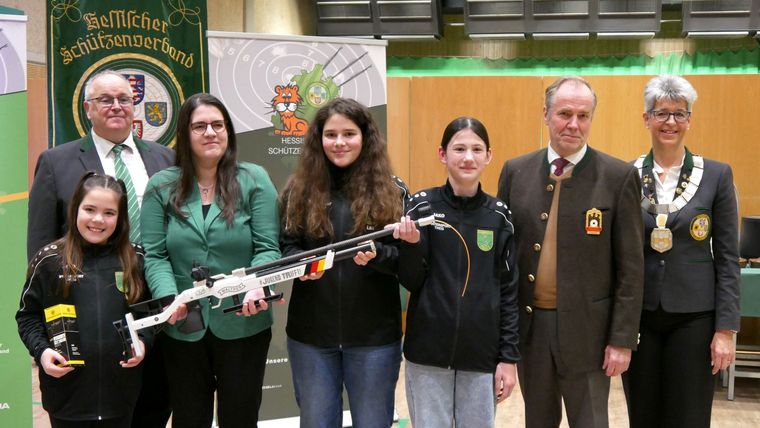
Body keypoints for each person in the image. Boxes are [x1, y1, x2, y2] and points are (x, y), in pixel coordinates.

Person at [26, 69, 173, 428]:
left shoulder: (166, 159)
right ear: (88, 108)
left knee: (152, 410)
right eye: (105, 100)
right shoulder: (56, 162)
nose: (116, 106)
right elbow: (40, 249)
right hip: (86, 334)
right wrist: (46, 343)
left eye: (124, 99)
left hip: (153, 321)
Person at [496, 76, 645, 428]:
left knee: (591, 422)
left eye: (583, 115)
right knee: (539, 421)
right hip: (532, 331)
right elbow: (502, 261)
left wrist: (622, 340)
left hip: (590, 335)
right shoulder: (515, 172)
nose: (574, 124)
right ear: (546, 114)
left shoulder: (618, 176)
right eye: (564, 113)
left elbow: (631, 269)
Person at [141, 93, 281, 427]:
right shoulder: (161, 186)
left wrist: (257, 286)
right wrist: (168, 299)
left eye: (218, 125)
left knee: (240, 417)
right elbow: (155, 254)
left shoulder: (254, 179)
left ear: (229, 132)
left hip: (244, 322)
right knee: (189, 419)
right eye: (199, 126)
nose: (210, 132)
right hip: (182, 326)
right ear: (185, 134)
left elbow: (268, 248)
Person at [279, 97, 414, 428]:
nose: (339, 143)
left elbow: (409, 264)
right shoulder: (297, 190)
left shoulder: (394, 192)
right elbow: (285, 249)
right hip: (310, 339)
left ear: (366, 138)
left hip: (375, 341)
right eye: (330, 135)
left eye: (349, 134)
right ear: (319, 139)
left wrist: (378, 258)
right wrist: (301, 264)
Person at [622, 75, 740, 428]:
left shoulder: (717, 175)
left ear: (690, 119)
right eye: (661, 113)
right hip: (640, 316)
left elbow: (728, 257)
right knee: (643, 415)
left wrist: (726, 330)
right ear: (646, 119)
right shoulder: (625, 176)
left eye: (679, 114)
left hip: (695, 318)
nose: (670, 122)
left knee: (688, 416)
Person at [397, 117, 520, 428]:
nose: (468, 157)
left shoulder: (499, 217)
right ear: (443, 154)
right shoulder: (421, 207)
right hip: (427, 355)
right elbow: (410, 280)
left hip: (481, 356)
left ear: (489, 156)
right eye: (459, 148)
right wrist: (411, 245)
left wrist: (508, 358)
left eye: (477, 149)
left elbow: (508, 291)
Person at [17, 172, 149, 428]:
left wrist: (143, 342)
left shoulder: (136, 260)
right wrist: (42, 352)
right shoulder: (48, 260)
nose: (98, 219)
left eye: (109, 213)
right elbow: (28, 317)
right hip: (66, 400)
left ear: (120, 217)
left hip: (121, 398)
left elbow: (148, 317)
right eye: (90, 209)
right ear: (75, 209)